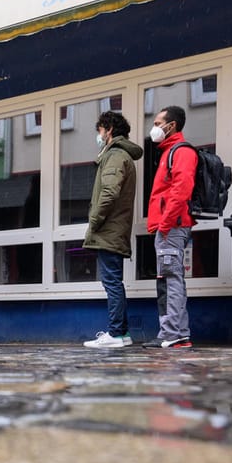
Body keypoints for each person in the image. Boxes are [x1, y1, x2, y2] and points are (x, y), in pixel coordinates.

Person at [81, 110, 142, 349]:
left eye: (100, 130)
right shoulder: (120, 155)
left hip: (109, 230)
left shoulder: (116, 155)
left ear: (109, 130)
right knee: (114, 281)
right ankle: (122, 333)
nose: (98, 136)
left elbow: (109, 193)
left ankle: (116, 334)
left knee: (112, 282)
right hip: (114, 229)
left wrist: (94, 221)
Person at [143, 105, 196, 350]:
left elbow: (181, 190)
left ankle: (170, 333)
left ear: (171, 125)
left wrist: (164, 224)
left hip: (171, 227)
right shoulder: (169, 152)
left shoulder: (180, 152)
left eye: (157, 124)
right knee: (171, 278)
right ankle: (179, 334)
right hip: (169, 226)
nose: (154, 129)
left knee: (169, 279)